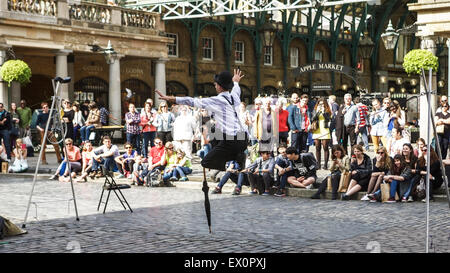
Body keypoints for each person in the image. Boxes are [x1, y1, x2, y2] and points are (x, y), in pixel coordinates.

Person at [156, 69, 247, 172]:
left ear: (220, 87)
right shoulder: (234, 96)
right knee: (215, 134)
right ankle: (237, 158)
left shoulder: (217, 100)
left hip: (232, 140)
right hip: (243, 138)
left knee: (206, 162)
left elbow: (192, 101)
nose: (215, 86)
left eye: (216, 84)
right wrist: (235, 81)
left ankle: (231, 163)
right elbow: (236, 89)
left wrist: (171, 98)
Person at [311, 98, 332, 170]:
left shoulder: (327, 110)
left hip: (325, 130)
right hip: (317, 130)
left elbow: (329, 119)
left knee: (325, 147)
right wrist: (317, 112)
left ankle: (325, 164)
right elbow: (313, 119)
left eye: (322, 103)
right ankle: (318, 164)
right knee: (317, 148)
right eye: (320, 103)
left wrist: (323, 112)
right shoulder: (315, 110)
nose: (321, 105)